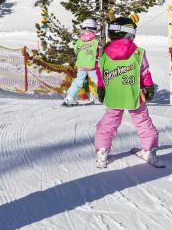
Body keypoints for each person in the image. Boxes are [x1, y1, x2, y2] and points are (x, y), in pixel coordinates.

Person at [94, 16, 159, 169]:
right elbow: (144, 73)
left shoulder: (103, 54)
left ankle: (102, 151)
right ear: (129, 34)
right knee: (143, 121)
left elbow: (100, 73)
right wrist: (148, 87)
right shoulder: (138, 53)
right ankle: (150, 150)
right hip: (135, 94)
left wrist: (101, 88)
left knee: (108, 123)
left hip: (114, 95)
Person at [63, 18, 100, 106]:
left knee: (78, 82)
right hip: (92, 66)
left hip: (81, 65)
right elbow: (99, 52)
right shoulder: (95, 42)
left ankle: (70, 98)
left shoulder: (79, 41)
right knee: (98, 81)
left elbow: (76, 50)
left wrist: (83, 56)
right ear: (94, 29)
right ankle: (98, 97)